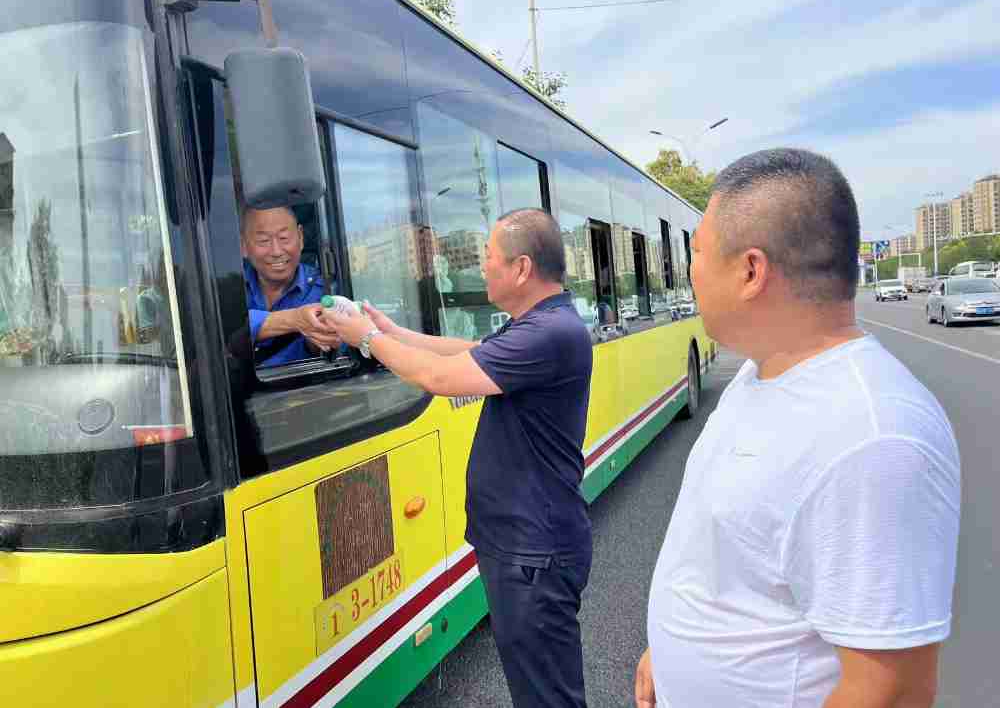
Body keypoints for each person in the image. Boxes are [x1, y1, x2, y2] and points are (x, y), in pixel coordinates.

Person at [634, 148, 960, 708]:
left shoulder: (874, 436)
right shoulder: (763, 372)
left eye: (697, 252)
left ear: (750, 271)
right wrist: (665, 650)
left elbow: (891, 690)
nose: (689, 271)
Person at [330, 209, 594, 708]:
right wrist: (390, 330)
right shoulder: (540, 324)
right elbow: (463, 351)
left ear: (520, 268)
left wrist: (364, 338)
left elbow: (440, 378)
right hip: (523, 544)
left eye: (489, 257)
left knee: (547, 696)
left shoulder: (550, 333)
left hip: (533, 550)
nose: (481, 267)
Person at [240, 205, 341, 366]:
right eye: (263, 241)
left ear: (300, 237)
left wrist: (318, 343)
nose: (276, 251)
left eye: (284, 238)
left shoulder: (326, 290)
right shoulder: (226, 288)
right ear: (243, 245)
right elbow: (222, 329)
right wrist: (295, 319)